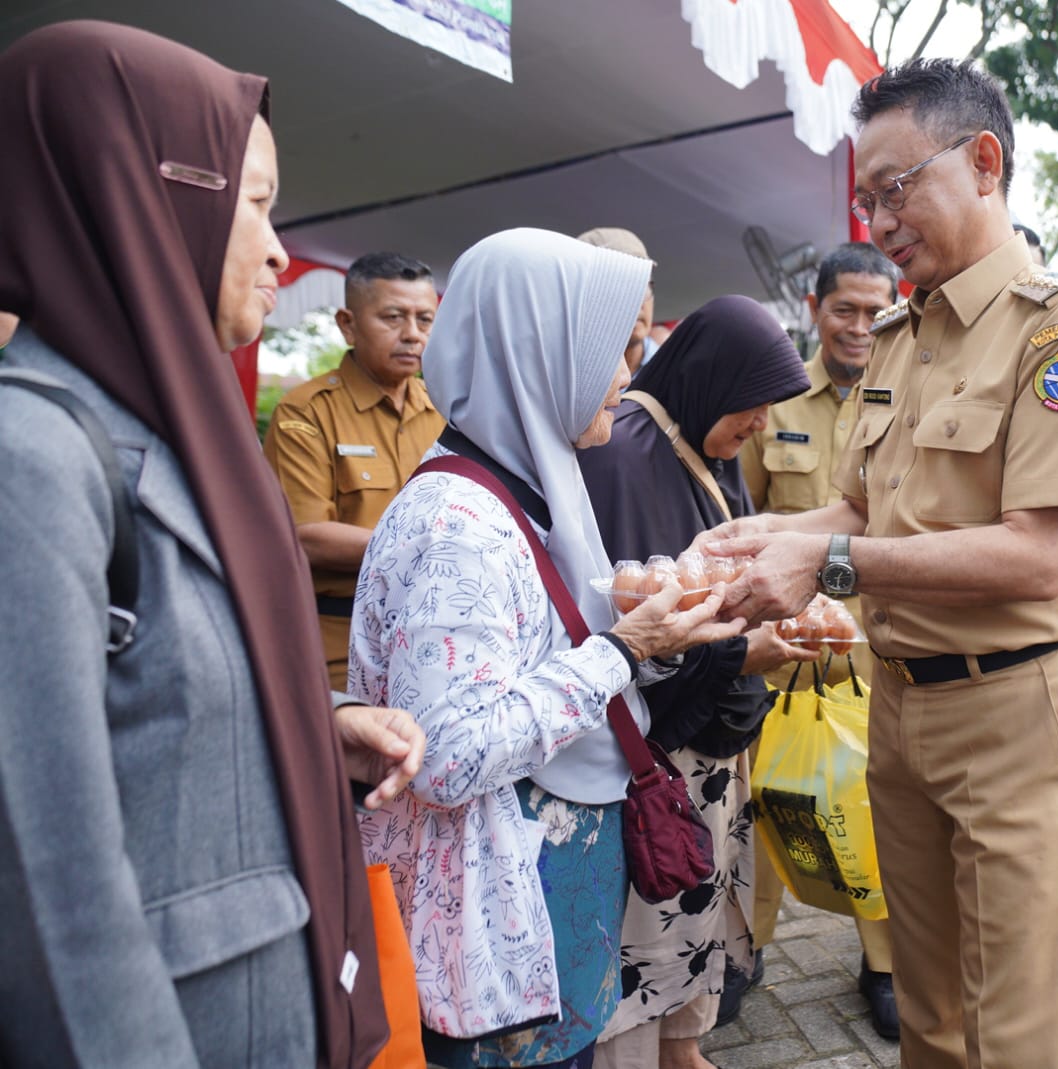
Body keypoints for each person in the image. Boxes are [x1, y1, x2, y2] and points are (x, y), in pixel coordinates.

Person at [695, 58, 1058, 1069]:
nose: (881, 219)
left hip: (1015, 707)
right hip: (898, 700)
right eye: (865, 198)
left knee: (1020, 1014)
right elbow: (861, 503)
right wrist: (767, 538)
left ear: (984, 162)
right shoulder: (900, 333)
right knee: (928, 1003)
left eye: (898, 187)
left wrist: (829, 567)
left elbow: (1037, 555)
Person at [0, 21, 425, 1067]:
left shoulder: (174, 434)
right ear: (147, 198)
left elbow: (145, 698)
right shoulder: (32, 459)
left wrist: (316, 719)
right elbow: (48, 888)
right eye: (257, 204)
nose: (281, 252)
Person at [350, 229, 745, 1068]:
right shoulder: (455, 523)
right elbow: (447, 755)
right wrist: (625, 648)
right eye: (611, 350)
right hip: (486, 932)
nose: (626, 378)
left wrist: (652, 640)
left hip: (535, 901)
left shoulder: (525, 487)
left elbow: (550, 658)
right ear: (541, 354)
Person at [578, 295, 812, 1069]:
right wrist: (742, 653)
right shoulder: (627, 452)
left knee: (697, 899)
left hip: (712, 739)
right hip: (657, 747)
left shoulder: (695, 446)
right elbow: (635, 628)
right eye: (750, 406)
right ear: (712, 380)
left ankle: (682, 1048)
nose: (759, 425)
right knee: (652, 911)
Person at [738, 242, 902, 1038]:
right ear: (816, 309)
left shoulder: (903, 395)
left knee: (875, 804)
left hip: (876, 647)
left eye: (877, 311)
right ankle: (748, 944)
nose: (861, 326)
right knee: (770, 792)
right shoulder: (777, 402)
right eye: (846, 309)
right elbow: (750, 511)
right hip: (787, 650)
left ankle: (883, 961)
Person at [264, 252, 444, 688]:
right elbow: (306, 536)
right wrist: (432, 546)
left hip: (429, 638)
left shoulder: (443, 411)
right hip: (335, 645)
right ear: (347, 324)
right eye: (393, 317)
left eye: (425, 319)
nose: (412, 335)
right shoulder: (307, 411)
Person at [577, 227, 656, 373]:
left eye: (644, 284)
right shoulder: (564, 376)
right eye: (620, 286)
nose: (637, 301)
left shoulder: (676, 371)